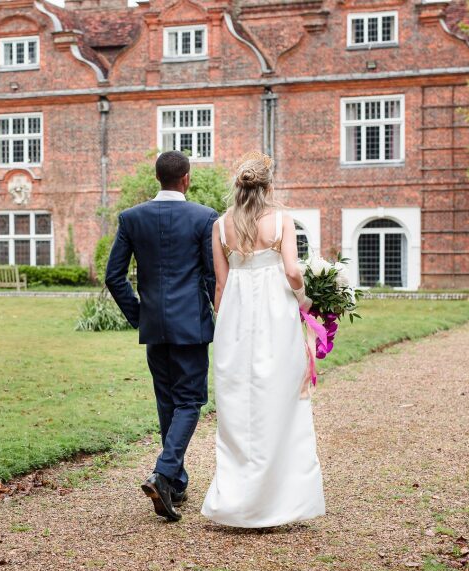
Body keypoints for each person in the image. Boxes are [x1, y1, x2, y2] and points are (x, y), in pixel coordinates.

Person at [201, 152, 325, 528]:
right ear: (269, 187)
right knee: (281, 404)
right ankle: (279, 501)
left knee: (237, 412)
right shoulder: (282, 221)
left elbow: (220, 287)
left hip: (235, 323)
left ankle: (236, 501)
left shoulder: (220, 226)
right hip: (276, 320)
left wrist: (227, 328)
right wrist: (309, 301)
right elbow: (291, 271)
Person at [105, 151, 218, 521]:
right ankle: (164, 472)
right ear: (186, 178)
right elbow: (211, 275)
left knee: (168, 402)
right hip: (192, 327)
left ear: (158, 178)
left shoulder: (132, 218)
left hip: (154, 326)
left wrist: (140, 315)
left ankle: (177, 482)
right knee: (190, 401)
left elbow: (114, 276)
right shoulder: (204, 217)